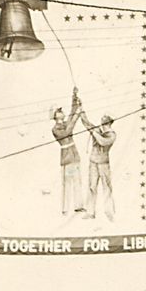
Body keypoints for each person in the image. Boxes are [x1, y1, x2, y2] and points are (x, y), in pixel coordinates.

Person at [51, 87, 85, 215]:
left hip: (74, 155)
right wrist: (77, 115)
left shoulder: (64, 123)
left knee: (77, 180)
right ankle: (65, 209)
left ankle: (78, 206)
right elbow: (68, 131)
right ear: (55, 116)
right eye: (59, 111)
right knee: (68, 183)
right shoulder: (56, 129)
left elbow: (71, 114)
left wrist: (74, 97)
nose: (62, 111)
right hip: (68, 157)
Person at [80, 106, 116, 219]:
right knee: (92, 187)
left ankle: (109, 211)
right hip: (93, 162)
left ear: (109, 120)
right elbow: (86, 123)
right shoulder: (97, 130)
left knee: (107, 188)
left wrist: (93, 132)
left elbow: (102, 142)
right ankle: (90, 212)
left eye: (105, 116)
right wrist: (81, 110)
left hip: (104, 163)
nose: (102, 117)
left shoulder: (112, 134)